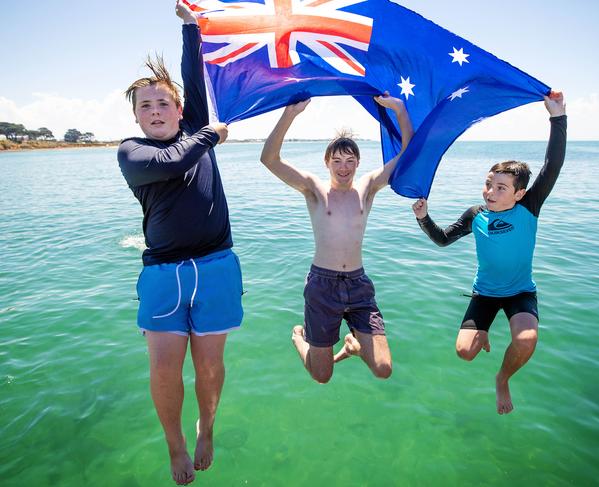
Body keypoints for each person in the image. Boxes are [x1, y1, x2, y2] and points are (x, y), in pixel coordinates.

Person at [117, 2, 243, 484]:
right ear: (136, 116)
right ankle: (175, 446)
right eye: (145, 106)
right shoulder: (133, 152)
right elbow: (172, 162)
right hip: (162, 275)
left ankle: (206, 427)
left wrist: (191, 29)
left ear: (179, 109)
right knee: (166, 371)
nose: (154, 111)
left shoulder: (194, 128)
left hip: (216, 266)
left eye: (162, 103)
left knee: (210, 368)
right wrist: (210, 134)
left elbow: (194, 81)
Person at [411, 91, 567, 415]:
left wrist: (557, 117)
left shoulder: (529, 207)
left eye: (500, 188)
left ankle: (502, 378)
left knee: (526, 340)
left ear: (519, 193)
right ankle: (482, 332)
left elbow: (552, 166)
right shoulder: (476, 215)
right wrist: (424, 217)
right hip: (484, 294)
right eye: (488, 184)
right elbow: (442, 240)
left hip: (520, 292)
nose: (490, 192)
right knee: (464, 352)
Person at [260, 95, 413, 383]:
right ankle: (297, 337)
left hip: (358, 285)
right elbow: (269, 158)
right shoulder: (315, 190)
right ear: (327, 162)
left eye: (350, 161)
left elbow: (409, 152)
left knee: (383, 369)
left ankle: (353, 346)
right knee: (322, 375)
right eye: (337, 161)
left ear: (358, 163)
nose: (344, 168)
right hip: (323, 285)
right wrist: (289, 114)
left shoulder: (366, 188)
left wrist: (401, 110)